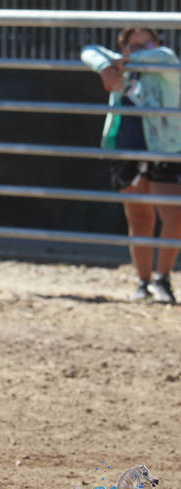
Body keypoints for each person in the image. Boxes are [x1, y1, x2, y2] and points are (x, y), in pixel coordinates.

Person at [82, 28, 181, 303]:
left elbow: (164, 56)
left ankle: (163, 278)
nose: (141, 49)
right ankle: (143, 282)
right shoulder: (118, 65)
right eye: (133, 45)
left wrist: (122, 64)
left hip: (165, 148)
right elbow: (89, 51)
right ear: (123, 49)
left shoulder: (165, 62)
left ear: (156, 44)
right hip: (129, 149)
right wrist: (105, 67)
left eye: (147, 43)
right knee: (139, 217)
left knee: (173, 217)